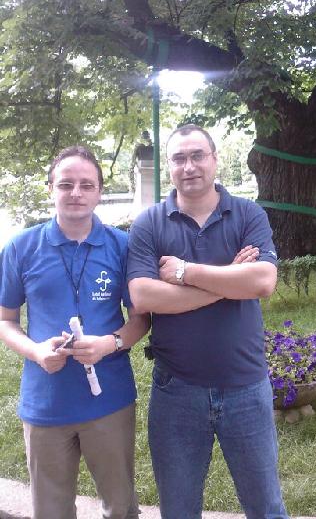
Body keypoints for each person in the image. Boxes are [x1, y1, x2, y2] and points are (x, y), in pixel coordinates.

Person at [127, 125, 289, 519]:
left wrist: (185, 272)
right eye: (179, 158)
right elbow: (144, 297)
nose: (189, 166)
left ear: (215, 159)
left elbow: (262, 282)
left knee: (266, 508)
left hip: (246, 386)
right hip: (176, 392)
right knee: (178, 510)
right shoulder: (149, 223)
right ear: (169, 167)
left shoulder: (248, 214)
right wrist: (229, 280)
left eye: (197, 155)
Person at [0, 146, 150, 519]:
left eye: (87, 185)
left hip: (109, 400)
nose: (76, 193)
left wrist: (109, 344)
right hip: (46, 401)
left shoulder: (122, 246)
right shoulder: (21, 247)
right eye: (66, 184)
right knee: (51, 510)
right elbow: (5, 320)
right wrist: (36, 352)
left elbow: (142, 318)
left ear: (99, 191)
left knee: (120, 507)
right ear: (50, 188)